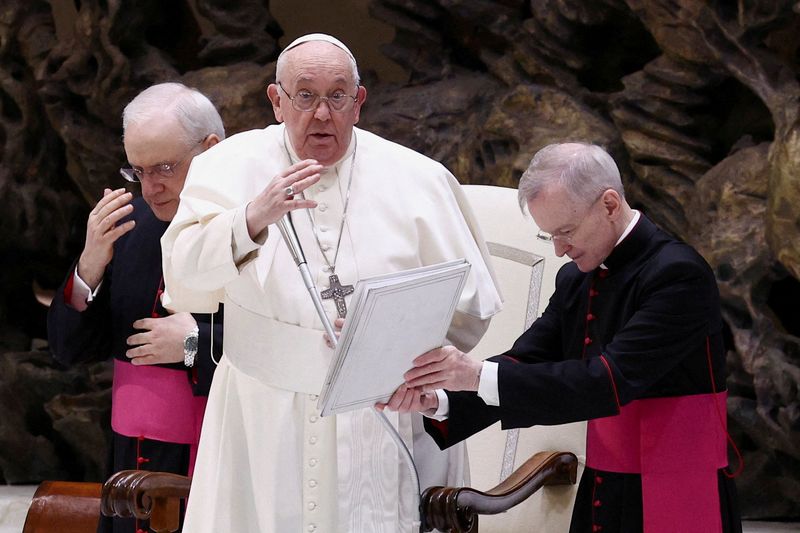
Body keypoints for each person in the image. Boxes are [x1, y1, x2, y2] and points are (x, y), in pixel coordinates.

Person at [160, 33, 502, 533]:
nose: (322, 114)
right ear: (276, 101)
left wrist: (398, 344)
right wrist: (252, 218)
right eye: (305, 96)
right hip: (262, 416)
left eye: (337, 96)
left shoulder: (419, 179)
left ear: (358, 103)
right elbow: (183, 282)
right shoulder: (227, 167)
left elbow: (469, 307)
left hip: (384, 412)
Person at [383, 142, 742, 533]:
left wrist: (472, 375)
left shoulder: (677, 274)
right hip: (606, 483)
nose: (558, 250)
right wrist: (440, 397)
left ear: (609, 204)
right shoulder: (577, 277)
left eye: (565, 232)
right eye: (549, 236)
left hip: (679, 484)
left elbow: (608, 382)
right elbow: (528, 358)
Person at [47, 82, 225, 533]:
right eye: (137, 171)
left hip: (221, 456)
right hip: (130, 460)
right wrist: (90, 263)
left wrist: (194, 344)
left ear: (211, 150)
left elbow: (285, 339)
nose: (151, 187)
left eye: (164, 167)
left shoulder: (255, 224)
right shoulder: (129, 222)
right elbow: (68, 350)